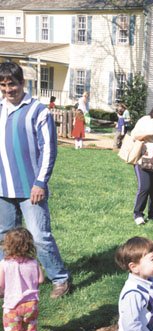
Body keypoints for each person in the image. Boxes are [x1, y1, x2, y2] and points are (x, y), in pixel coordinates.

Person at [0, 62, 71, 298]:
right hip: (2, 187)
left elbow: (48, 149)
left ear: (22, 83)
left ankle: (60, 278)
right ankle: (7, 281)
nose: (8, 90)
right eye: (3, 85)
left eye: (12, 84)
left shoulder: (38, 110)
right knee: (4, 238)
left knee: (39, 236)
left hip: (31, 187)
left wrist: (40, 182)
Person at [0, 228, 44, 331]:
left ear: (7, 245)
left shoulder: (4, 264)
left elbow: (1, 285)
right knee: (30, 327)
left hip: (12, 306)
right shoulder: (34, 262)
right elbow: (41, 279)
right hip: (31, 303)